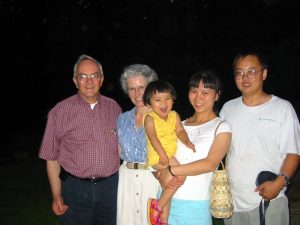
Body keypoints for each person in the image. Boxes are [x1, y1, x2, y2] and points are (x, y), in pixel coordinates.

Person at [39, 54, 122, 225]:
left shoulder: (114, 108)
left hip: (111, 189)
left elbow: (122, 147)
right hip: (75, 190)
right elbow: (51, 157)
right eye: (83, 76)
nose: (89, 81)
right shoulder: (60, 112)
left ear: (102, 79)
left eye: (94, 75)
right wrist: (56, 195)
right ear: (75, 81)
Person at [220, 51, 300, 225]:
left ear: (264, 74)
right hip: (234, 202)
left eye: (251, 71)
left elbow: (293, 153)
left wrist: (280, 183)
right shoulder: (228, 109)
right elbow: (222, 151)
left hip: (270, 199)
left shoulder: (282, 109)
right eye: (239, 73)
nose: (245, 77)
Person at [155, 70, 232, 225]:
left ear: (217, 95)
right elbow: (161, 156)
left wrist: (170, 171)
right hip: (164, 201)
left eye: (205, 92)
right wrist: (158, 174)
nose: (198, 97)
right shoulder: (180, 125)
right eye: (194, 91)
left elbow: (210, 164)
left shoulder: (221, 127)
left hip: (195, 206)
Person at [143, 80, 196, 225]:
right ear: (149, 103)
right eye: (158, 100)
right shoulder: (150, 118)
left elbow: (180, 130)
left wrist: (186, 141)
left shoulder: (174, 115)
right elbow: (153, 138)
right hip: (157, 157)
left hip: (168, 156)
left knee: (170, 185)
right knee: (182, 174)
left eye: (167, 99)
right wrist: (162, 155)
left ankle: (164, 220)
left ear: (172, 100)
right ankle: (157, 206)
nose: (163, 103)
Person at [116, 64, 160, 225]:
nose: (137, 93)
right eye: (132, 89)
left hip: (152, 178)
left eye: (142, 87)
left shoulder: (162, 116)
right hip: (126, 179)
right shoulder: (122, 119)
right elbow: (118, 150)